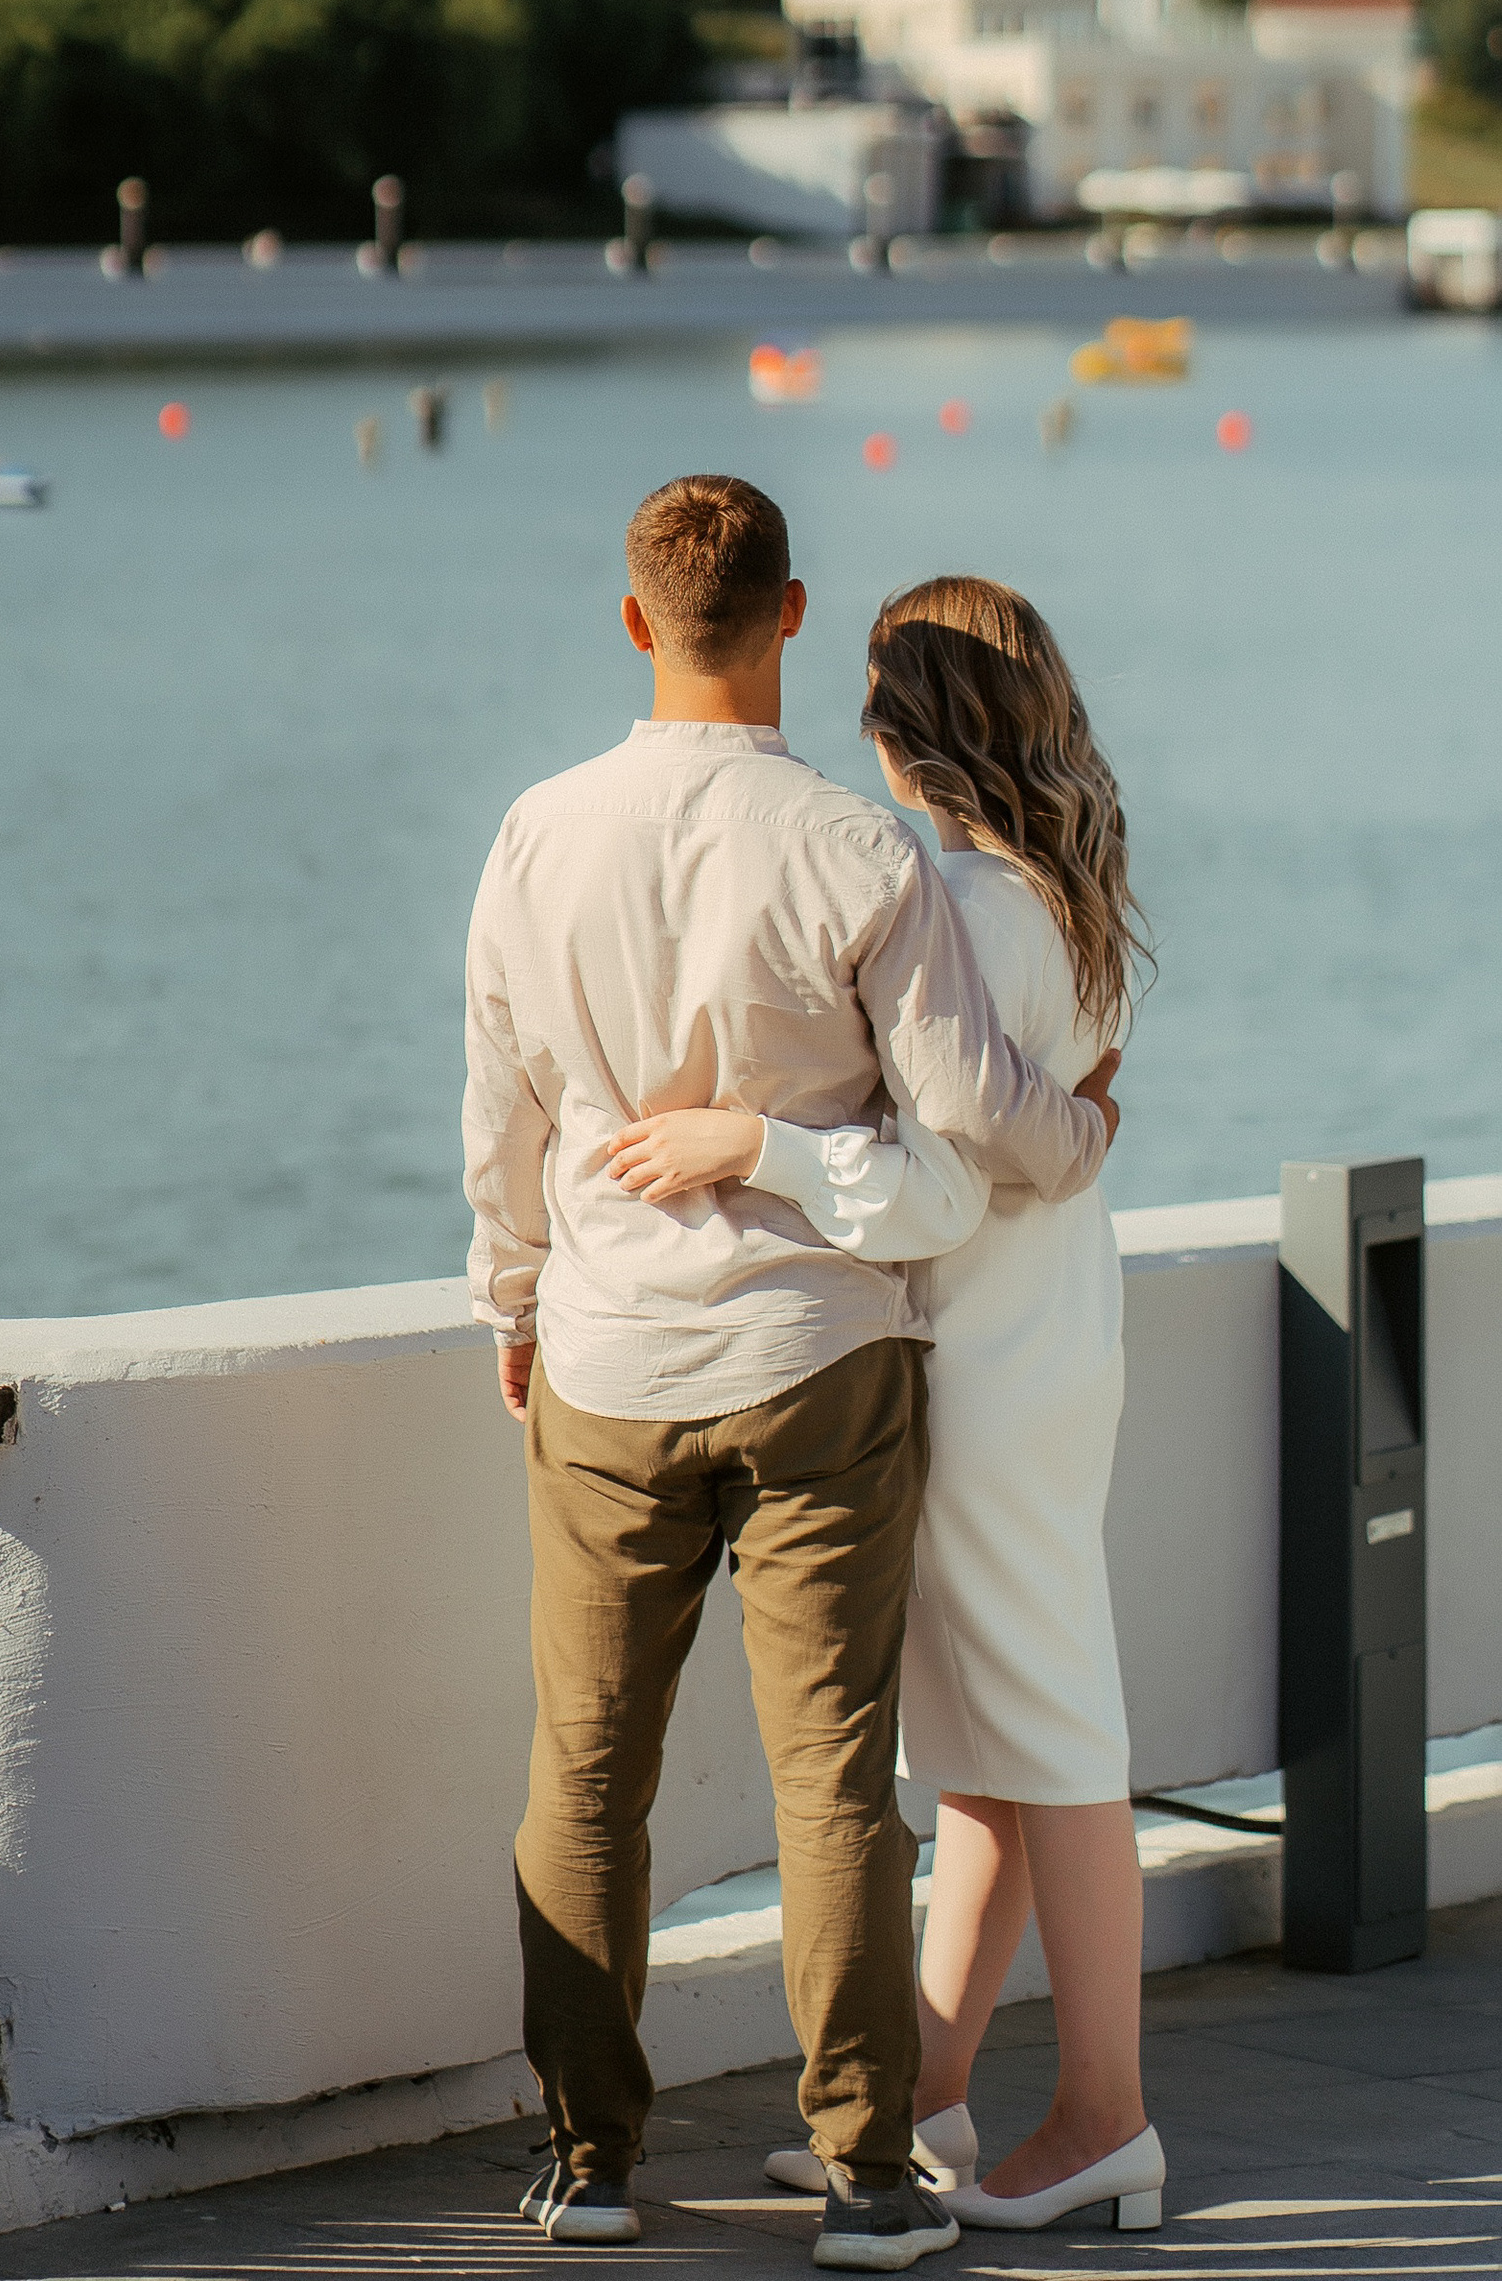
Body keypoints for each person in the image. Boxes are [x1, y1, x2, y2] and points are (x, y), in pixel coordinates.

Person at [464, 478, 1114, 2274]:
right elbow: (978, 1123)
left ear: (632, 618)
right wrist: (1083, 1132)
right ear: (793, 614)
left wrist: (512, 1299)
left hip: (607, 1355)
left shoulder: (536, 833)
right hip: (822, 1353)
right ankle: (872, 2173)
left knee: (588, 1771)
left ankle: (592, 2161)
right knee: (836, 1778)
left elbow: (502, 1107)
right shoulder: (859, 850)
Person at [618, 577, 1161, 2238]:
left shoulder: (964, 910)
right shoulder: (1058, 900)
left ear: (905, 727)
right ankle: (926, 2096)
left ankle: (1103, 2120)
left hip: (984, 1363)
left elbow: (927, 1177)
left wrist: (748, 1147)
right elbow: (1036, 1139)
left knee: (1049, 1738)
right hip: (1048, 1338)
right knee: (996, 1744)